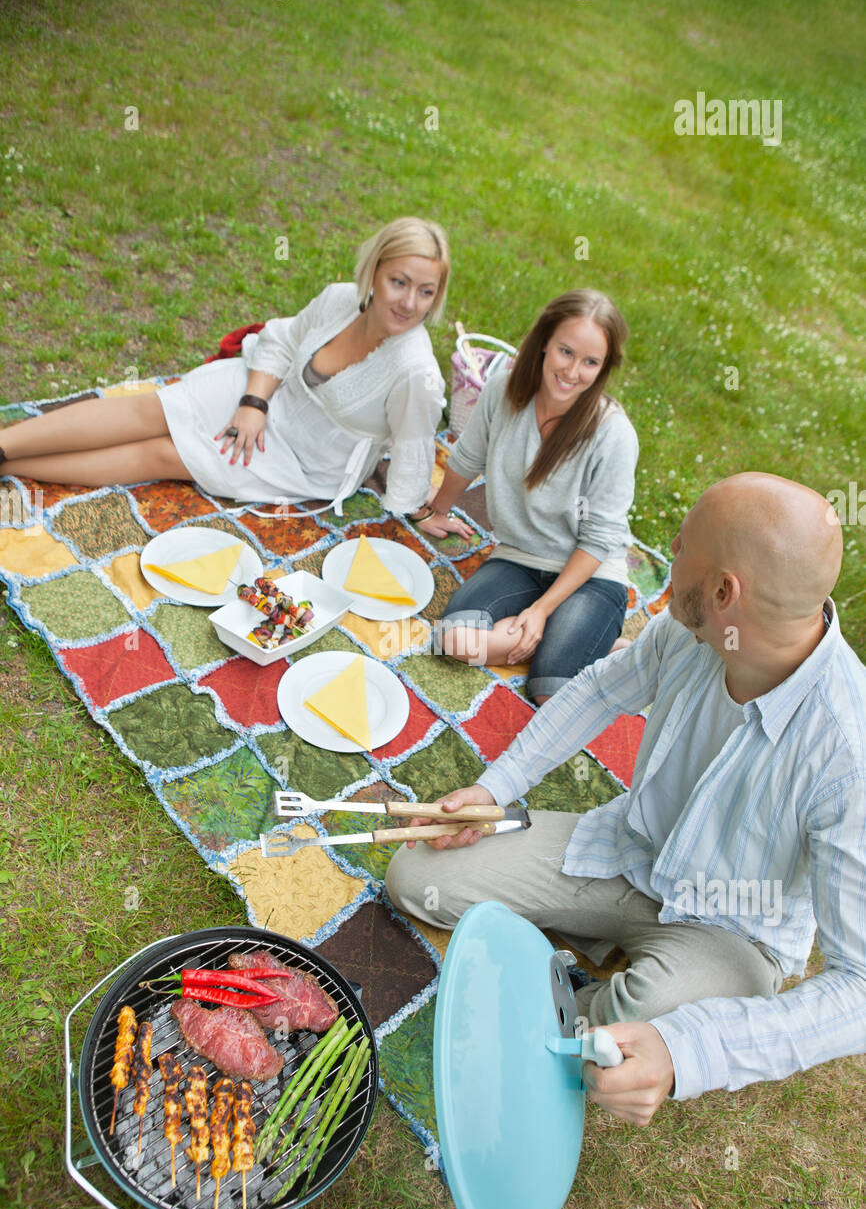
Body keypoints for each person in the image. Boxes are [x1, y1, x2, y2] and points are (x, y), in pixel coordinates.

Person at [385, 473, 866, 1126]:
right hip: (628, 855)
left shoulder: (847, 753)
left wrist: (687, 1050)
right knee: (417, 876)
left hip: (731, 932)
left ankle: (566, 1027)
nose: (670, 545)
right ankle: (574, 988)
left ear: (726, 592)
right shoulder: (687, 629)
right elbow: (599, 692)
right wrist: (494, 789)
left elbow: (858, 990)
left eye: (684, 544)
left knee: (610, 1044)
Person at [0, 217, 471, 538]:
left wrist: (420, 505)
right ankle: (6, 442)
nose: (409, 303)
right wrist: (254, 403)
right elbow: (283, 341)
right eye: (399, 282)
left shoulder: (417, 371)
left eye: (426, 292)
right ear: (374, 273)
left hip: (307, 457)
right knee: (156, 408)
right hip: (270, 393)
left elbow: (414, 445)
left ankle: (7, 467)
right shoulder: (341, 299)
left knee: (168, 452)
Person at [427, 290, 638, 703]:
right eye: (565, 351)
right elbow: (468, 457)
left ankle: (578, 644)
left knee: (550, 691)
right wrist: (435, 509)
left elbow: (597, 543)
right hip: (520, 559)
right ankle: (588, 649)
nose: (573, 371)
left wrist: (539, 611)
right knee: (452, 638)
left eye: (590, 362)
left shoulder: (613, 435)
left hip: (590, 575)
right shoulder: (503, 390)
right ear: (545, 340)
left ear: (603, 368)